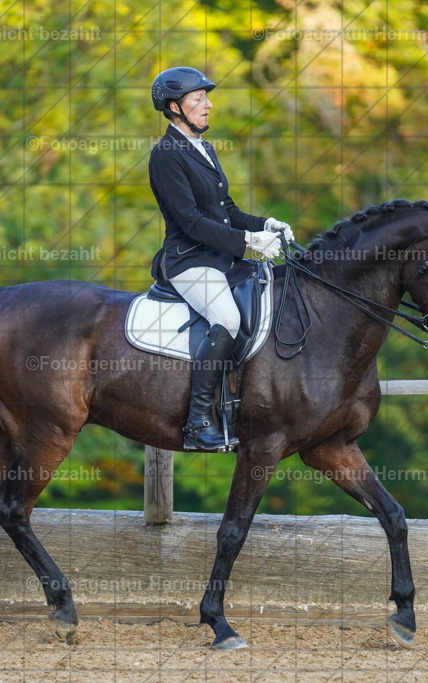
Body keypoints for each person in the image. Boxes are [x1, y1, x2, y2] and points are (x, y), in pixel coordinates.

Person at [149, 66, 293, 451]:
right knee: (227, 318)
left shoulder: (203, 147)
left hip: (219, 258)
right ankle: (197, 423)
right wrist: (248, 241)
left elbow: (225, 208)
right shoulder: (166, 155)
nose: (208, 105)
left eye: (206, 98)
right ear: (174, 108)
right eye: (198, 100)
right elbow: (193, 222)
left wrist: (266, 224)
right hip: (189, 261)